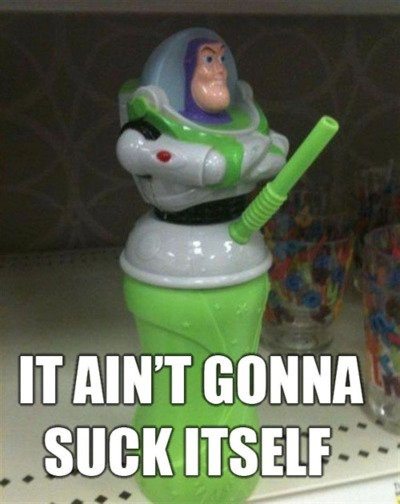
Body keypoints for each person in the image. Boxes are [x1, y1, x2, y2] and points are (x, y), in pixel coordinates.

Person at [116, 27, 289, 504]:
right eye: (206, 61)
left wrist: (234, 159)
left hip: (236, 247)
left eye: (220, 59)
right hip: (168, 249)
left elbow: (276, 149)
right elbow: (144, 152)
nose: (217, 71)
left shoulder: (244, 120)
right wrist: (222, 162)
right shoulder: (148, 128)